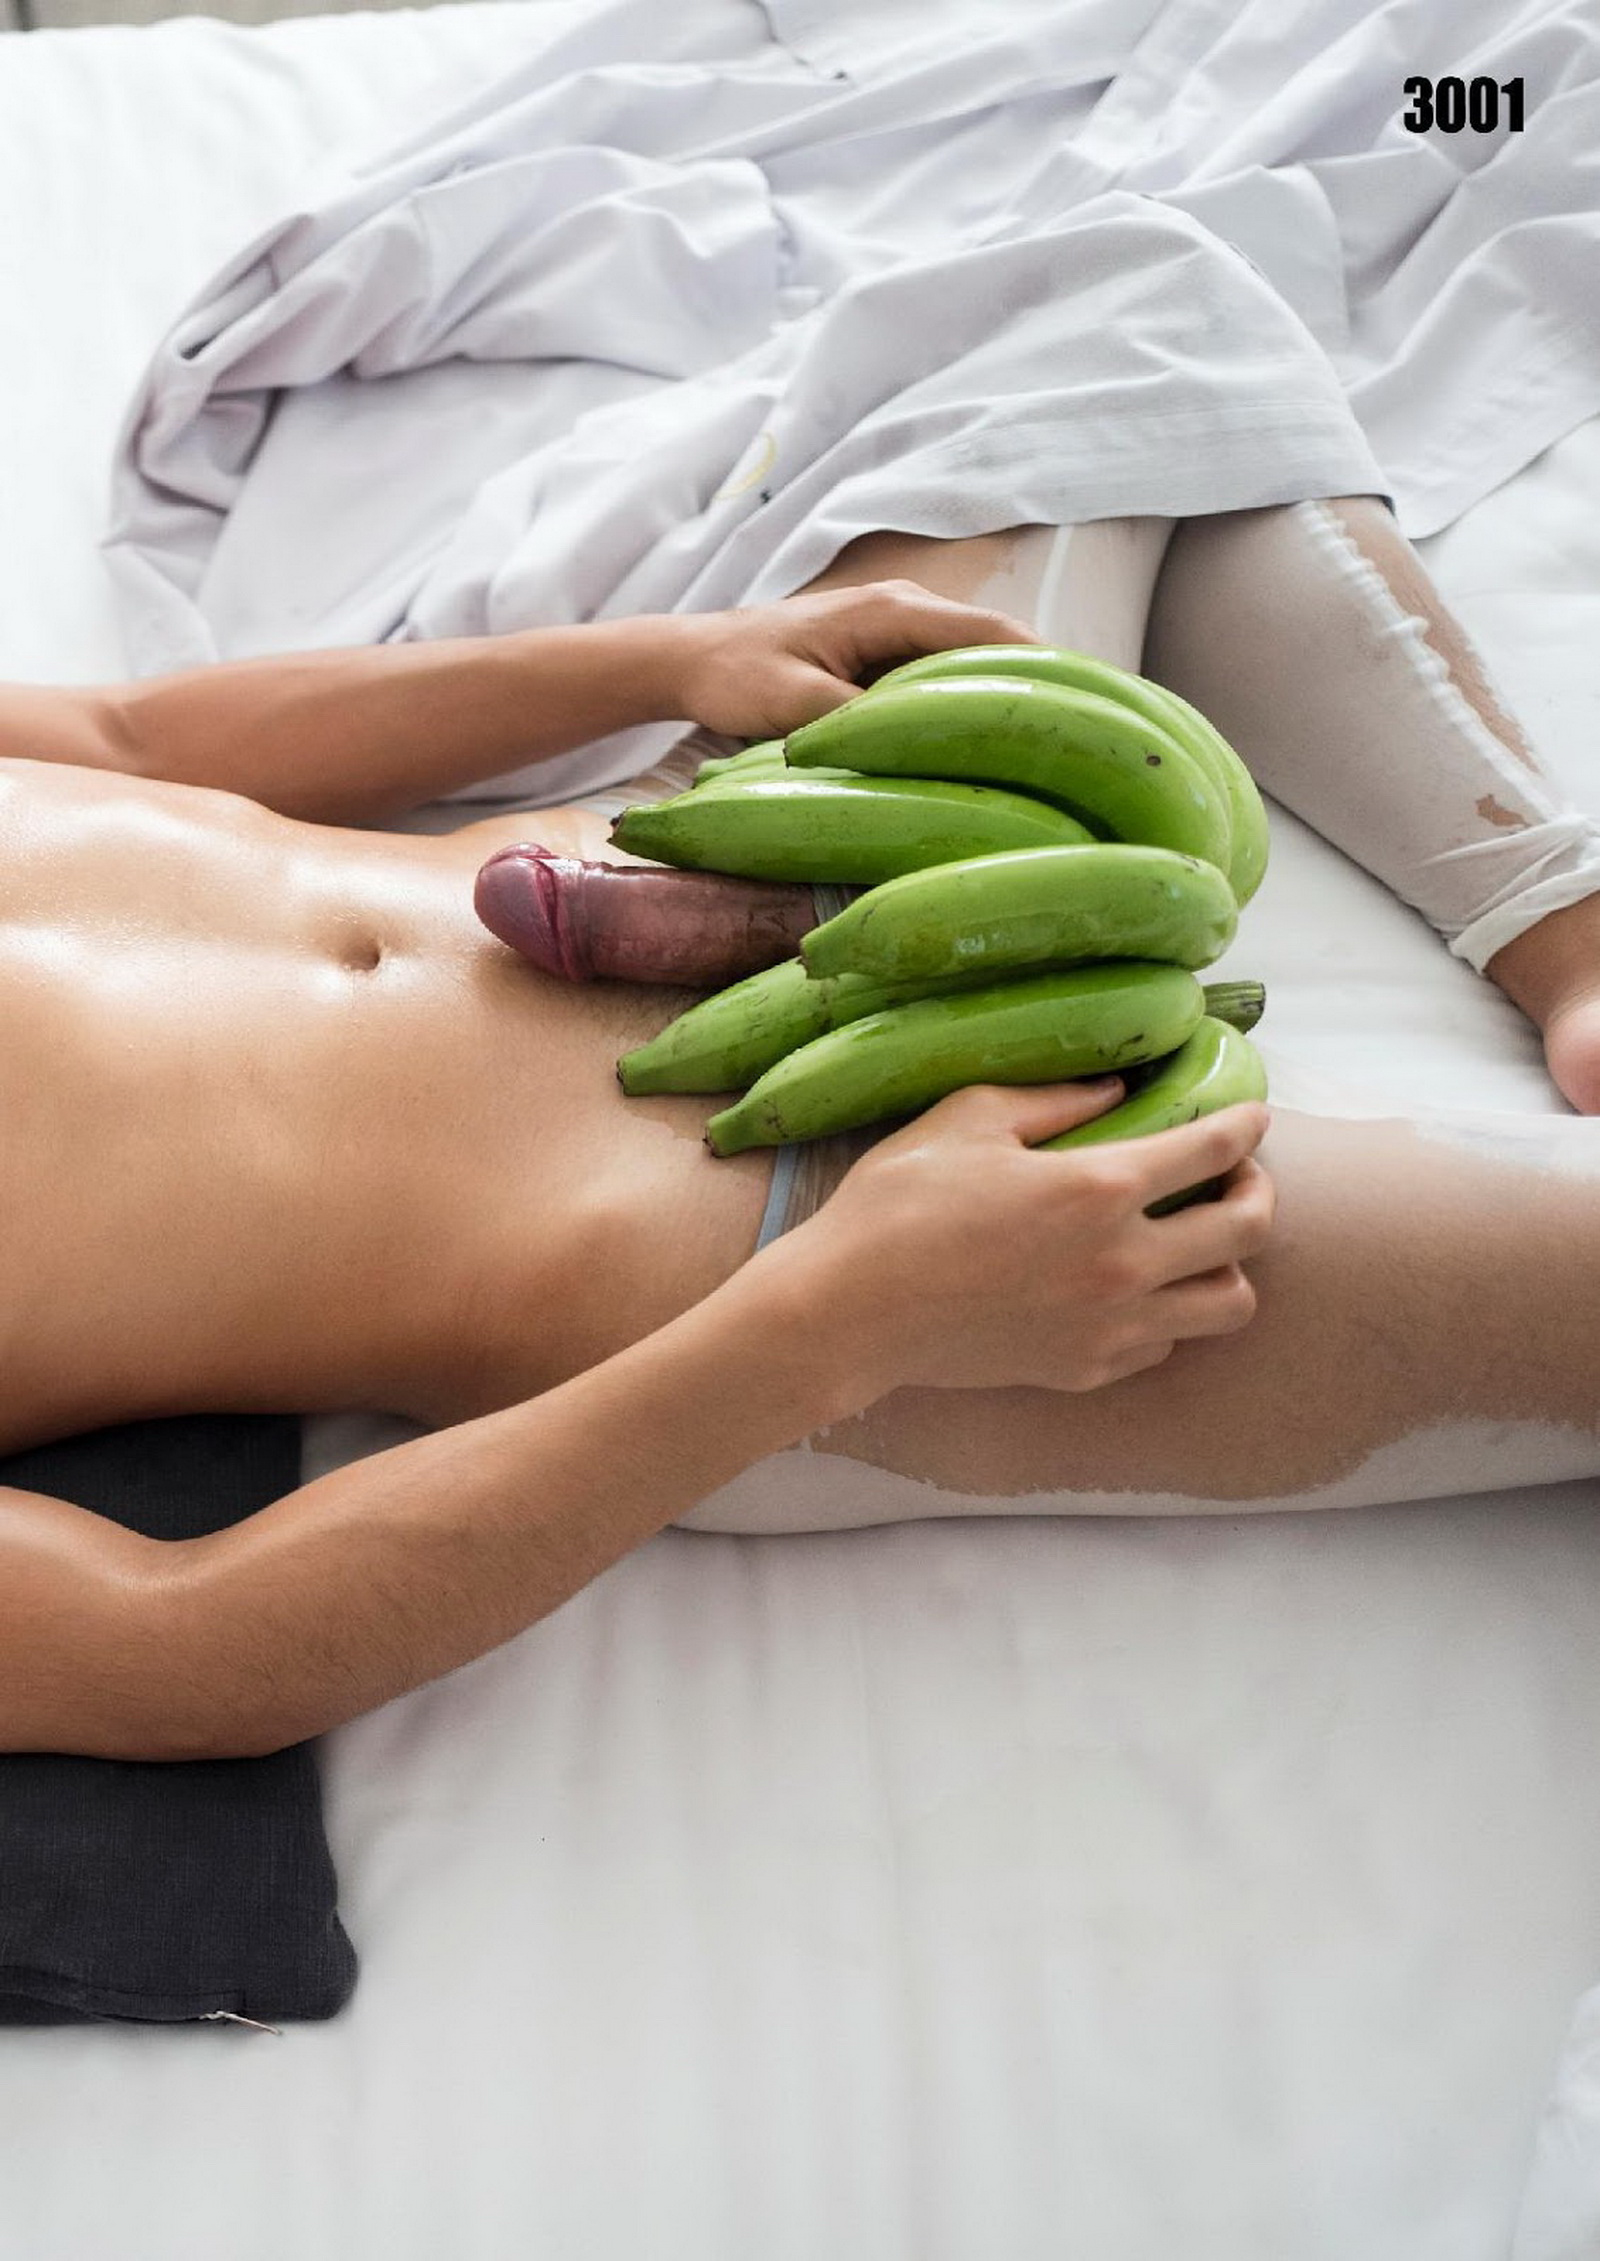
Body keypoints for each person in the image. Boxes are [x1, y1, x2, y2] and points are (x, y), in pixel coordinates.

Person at [1, 497, 1597, 1767]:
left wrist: (676, 659)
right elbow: (176, 1647)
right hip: (765, 1235)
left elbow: (131, 739)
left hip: (731, 835)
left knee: (1098, 332)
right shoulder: (836, 1291)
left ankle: (1563, 929)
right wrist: (847, 1320)